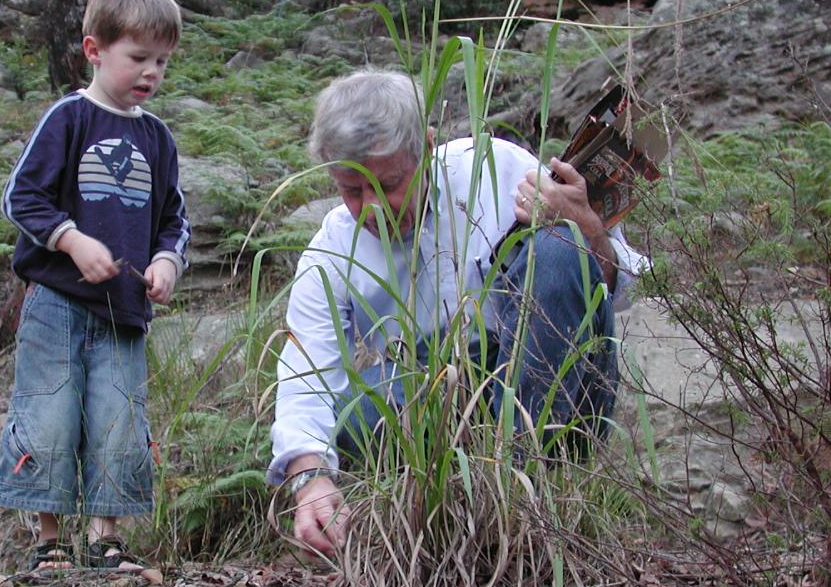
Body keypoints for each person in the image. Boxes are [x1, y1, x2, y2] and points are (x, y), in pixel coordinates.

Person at [269, 69, 648, 557]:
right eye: (351, 189)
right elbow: (307, 374)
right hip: (430, 398)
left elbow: (617, 294)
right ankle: (437, 518)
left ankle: (531, 503)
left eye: (387, 184)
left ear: (427, 147)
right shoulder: (331, 251)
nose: (371, 208)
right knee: (354, 416)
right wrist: (311, 478)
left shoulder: (496, 167)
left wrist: (590, 231)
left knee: (558, 248)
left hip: (543, 383)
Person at [0, 0, 190, 571]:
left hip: (125, 311)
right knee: (48, 410)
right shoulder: (69, 118)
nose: (151, 73)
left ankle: (107, 538)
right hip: (57, 300)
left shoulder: (156, 138)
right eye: (138, 58)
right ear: (95, 50)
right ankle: (47, 542)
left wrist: (164, 262)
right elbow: (21, 198)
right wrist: (71, 241)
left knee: (118, 418)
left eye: (162, 61)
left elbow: (174, 219)